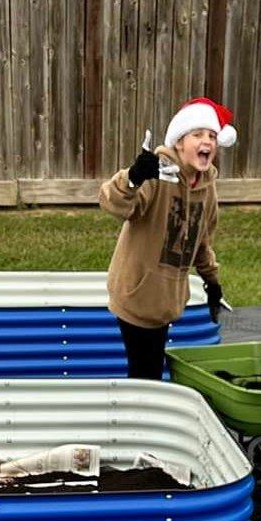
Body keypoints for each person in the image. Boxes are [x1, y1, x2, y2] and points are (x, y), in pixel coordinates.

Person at [98, 96, 233, 381]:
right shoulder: (158, 173)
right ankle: (136, 422)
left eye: (211, 136)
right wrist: (133, 178)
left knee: (150, 370)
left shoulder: (207, 189)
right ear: (180, 142)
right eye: (197, 134)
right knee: (145, 373)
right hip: (137, 295)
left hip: (166, 301)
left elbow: (202, 241)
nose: (206, 141)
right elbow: (115, 203)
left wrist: (212, 281)